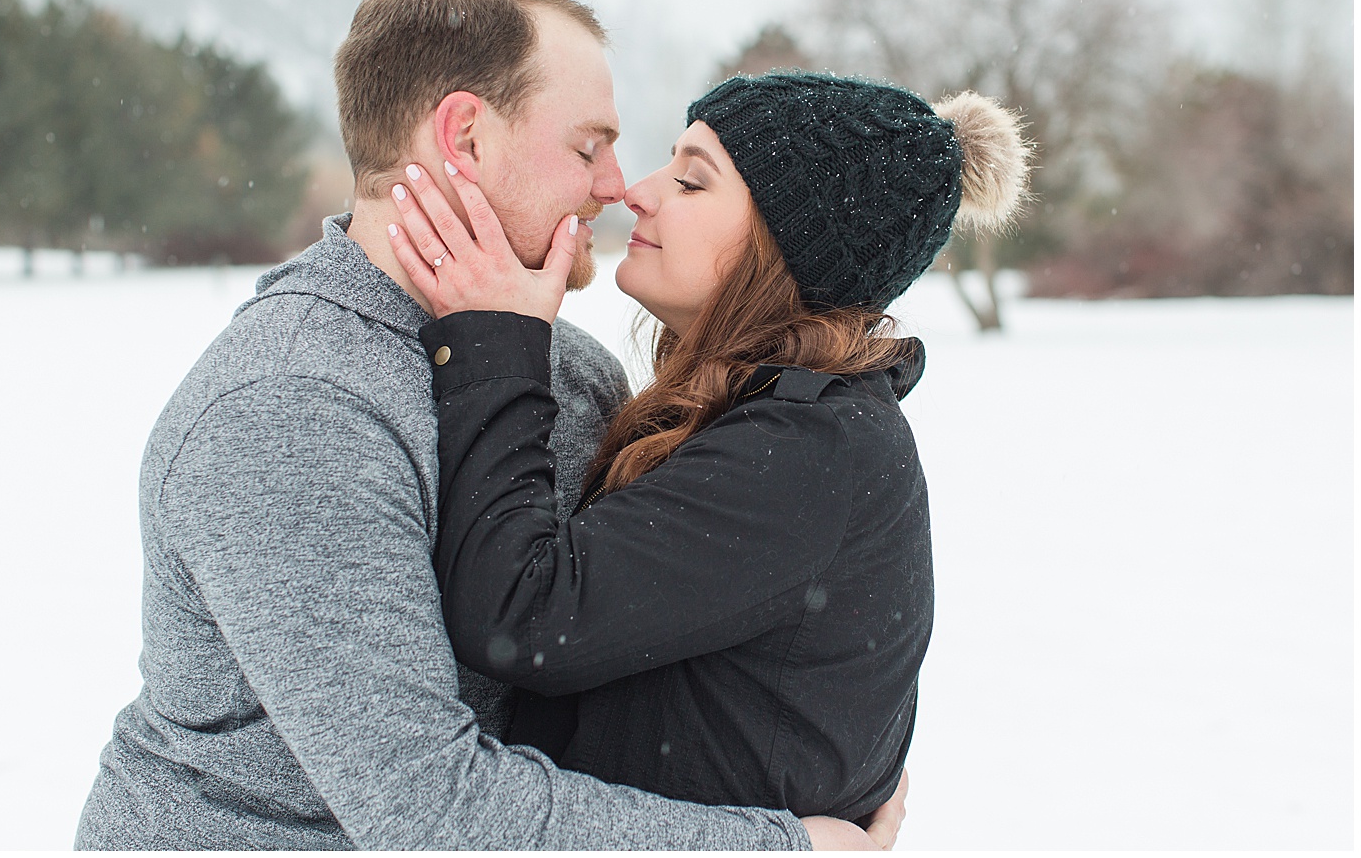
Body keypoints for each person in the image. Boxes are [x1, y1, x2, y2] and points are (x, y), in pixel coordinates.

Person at [75, 0, 902, 849]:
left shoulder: (567, 370)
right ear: (466, 139)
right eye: (589, 145)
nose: (616, 184)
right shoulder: (289, 408)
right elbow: (435, 813)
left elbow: (635, 649)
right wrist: (788, 844)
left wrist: (834, 744)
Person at [385, 72, 1029, 820]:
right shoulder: (777, 421)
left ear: (784, 250)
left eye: (692, 182)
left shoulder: (809, 449)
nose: (639, 192)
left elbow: (523, 616)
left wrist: (494, 342)